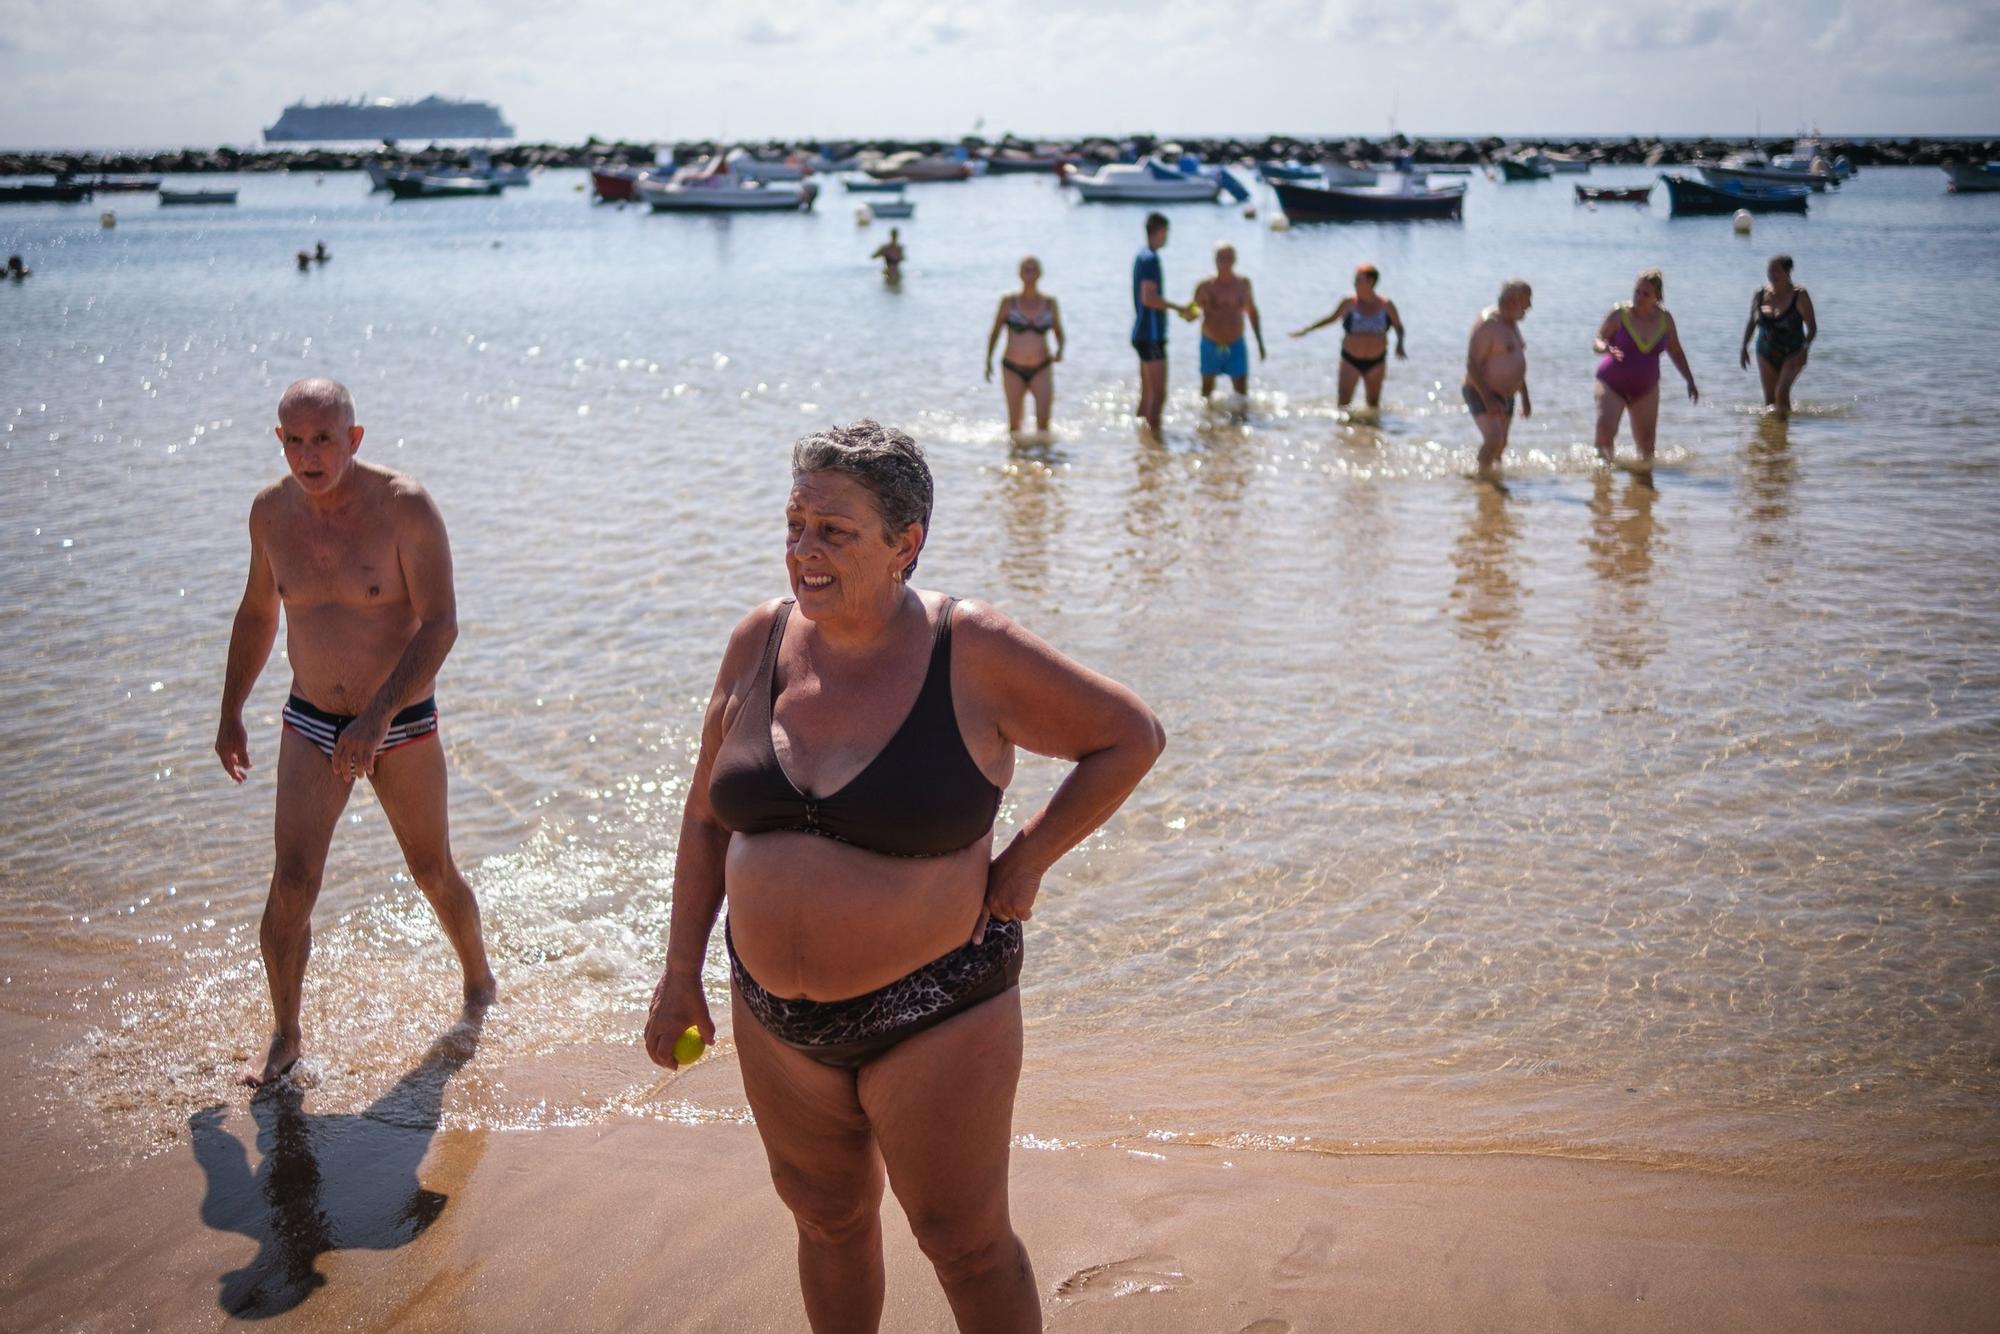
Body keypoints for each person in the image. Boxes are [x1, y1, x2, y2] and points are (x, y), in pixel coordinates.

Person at [643, 421, 1165, 1333]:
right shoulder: (758, 640)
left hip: (937, 1011)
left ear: (905, 545)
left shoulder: (972, 652)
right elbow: (703, 817)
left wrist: (1024, 863)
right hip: (772, 1018)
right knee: (828, 1220)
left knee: (961, 1242)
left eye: (834, 531)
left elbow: (1129, 736)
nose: (804, 550)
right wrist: (681, 969)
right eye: (794, 522)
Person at [215, 378, 496, 1087]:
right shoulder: (269, 514)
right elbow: (257, 614)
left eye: (325, 439)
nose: (310, 455)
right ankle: (285, 1034)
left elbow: (441, 624)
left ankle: (478, 982)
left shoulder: (404, 507)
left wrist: (376, 720)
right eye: (296, 441)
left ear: (355, 438)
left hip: (399, 720)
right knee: (292, 883)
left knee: (431, 870)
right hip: (310, 718)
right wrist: (230, 712)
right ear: (280, 440)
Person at [1593, 268, 1699, 464]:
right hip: (1611, 384)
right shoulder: (1619, 313)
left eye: (1646, 294)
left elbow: (1675, 350)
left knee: (1647, 447)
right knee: (1605, 432)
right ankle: (1603, 484)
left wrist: (1689, 379)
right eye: (1637, 291)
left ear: (1657, 297)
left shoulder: (1665, 320)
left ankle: (1642, 486)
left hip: (1646, 390)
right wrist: (1605, 347)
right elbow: (1598, 341)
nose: (1639, 297)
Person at [1290, 263, 1406, 409]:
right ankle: (1342, 431)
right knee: (1343, 405)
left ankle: (1370, 431)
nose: (1354, 283)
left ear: (1370, 282)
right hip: (1351, 360)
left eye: (1358, 280)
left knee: (1373, 405)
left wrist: (1400, 344)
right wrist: (1307, 330)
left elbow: (1399, 327)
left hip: (1376, 361)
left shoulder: (1386, 305)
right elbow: (1331, 319)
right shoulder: (1349, 303)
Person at [983, 256, 1066, 434]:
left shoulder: (1050, 303)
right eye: (1026, 269)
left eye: (1033, 269)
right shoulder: (1008, 302)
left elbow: (1059, 332)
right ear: (1020, 274)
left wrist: (1060, 350)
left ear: (1040, 273)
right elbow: (995, 332)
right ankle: (1016, 460)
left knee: (1043, 426)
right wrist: (988, 361)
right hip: (1013, 368)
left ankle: (1044, 460)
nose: (1030, 273)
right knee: (1014, 427)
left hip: (1041, 367)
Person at [1131, 212, 1195, 438]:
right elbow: (1149, 298)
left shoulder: (1142, 255)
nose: (1167, 237)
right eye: (1166, 232)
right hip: (1151, 334)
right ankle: (1155, 443)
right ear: (1159, 231)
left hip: (1142, 332)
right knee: (1158, 394)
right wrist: (1180, 309)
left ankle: (1142, 445)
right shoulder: (1150, 259)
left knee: (1147, 393)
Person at [1463, 279, 1534, 471]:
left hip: (1507, 394)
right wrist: (1488, 399)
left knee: (1501, 444)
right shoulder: (1489, 324)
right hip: (1482, 391)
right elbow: (1472, 365)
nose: (1530, 306)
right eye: (1527, 301)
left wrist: (1525, 397)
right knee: (1494, 439)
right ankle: (1482, 481)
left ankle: (1495, 490)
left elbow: (1517, 363)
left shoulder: (1511, 323)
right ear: (1513, 301)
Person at [1740, 254, 1815, 420]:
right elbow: (1752, 322)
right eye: (1769, 270)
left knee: (1781, 392)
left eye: (1776, 270)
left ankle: (1784, 432)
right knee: (1770, 401)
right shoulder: (1760, 294)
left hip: (1794, 351)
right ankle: (1773, 439)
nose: (1771, 273)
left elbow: (1812, 328)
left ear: (1787, 272)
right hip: (1765, 350)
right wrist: (1744, 347)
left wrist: (1805, 348)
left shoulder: (1799, 295)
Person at [1192, 243, 1265, 400]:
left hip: (1236, 343)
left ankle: (1241, 422)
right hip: (1210, 343)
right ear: (1215, 260)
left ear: (1235, 260)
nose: (1225, 261)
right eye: (1221, 258)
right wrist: (1190, 312)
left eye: (1228, 257)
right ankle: (1207, 422)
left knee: (1241, 393)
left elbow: (1252, 312)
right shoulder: (1205, 286)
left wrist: (1260, 343)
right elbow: (1192, 312)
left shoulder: (1243, 284)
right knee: (1207, 391)